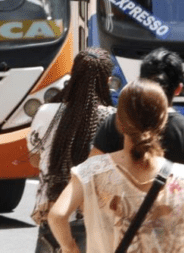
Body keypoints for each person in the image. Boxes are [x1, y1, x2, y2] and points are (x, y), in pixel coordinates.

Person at [90, 47, 184, 252]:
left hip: (122, 240)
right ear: (178, 89)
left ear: (139, 81)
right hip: (176, 243)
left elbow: (91, 178)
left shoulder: (118, 124)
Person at [48, 79, 184, 253]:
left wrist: (70, 249)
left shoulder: (92, 171)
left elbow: (57, 216)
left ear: (119, 122)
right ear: (162, 122)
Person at [26, 48, 116, 252]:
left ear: (73, 76)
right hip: (95, 220)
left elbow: (34, 159)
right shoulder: (112, 120)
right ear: (107, 81)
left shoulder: (45, 112)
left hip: (52, 215)